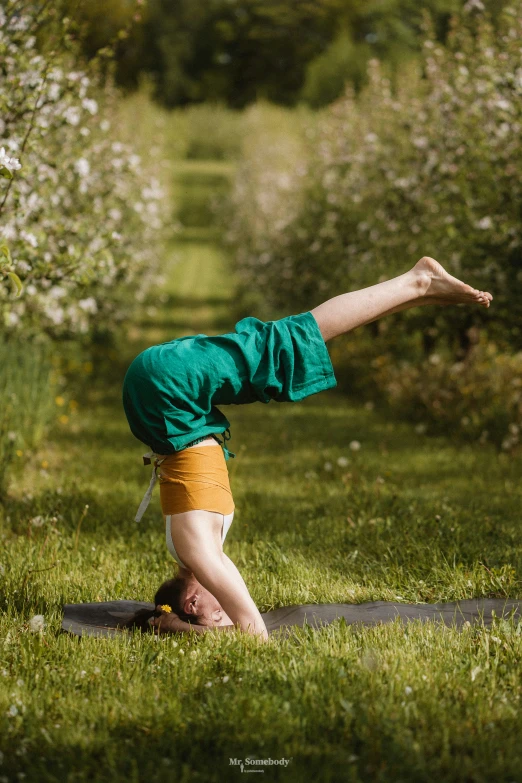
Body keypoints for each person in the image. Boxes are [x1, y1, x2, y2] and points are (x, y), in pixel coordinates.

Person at [122, 256, 492, 642]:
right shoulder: (198, 551)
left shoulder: (196, 552)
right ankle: (420, 290)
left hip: (165, 390)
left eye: (217, 616)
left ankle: (419, 282)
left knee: (287, 345)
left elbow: (253, 632)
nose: (226, 613)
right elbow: (235, 614)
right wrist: (179, 621)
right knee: (281, 346)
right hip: (166, 395)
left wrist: (183, 627)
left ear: (193, 604)